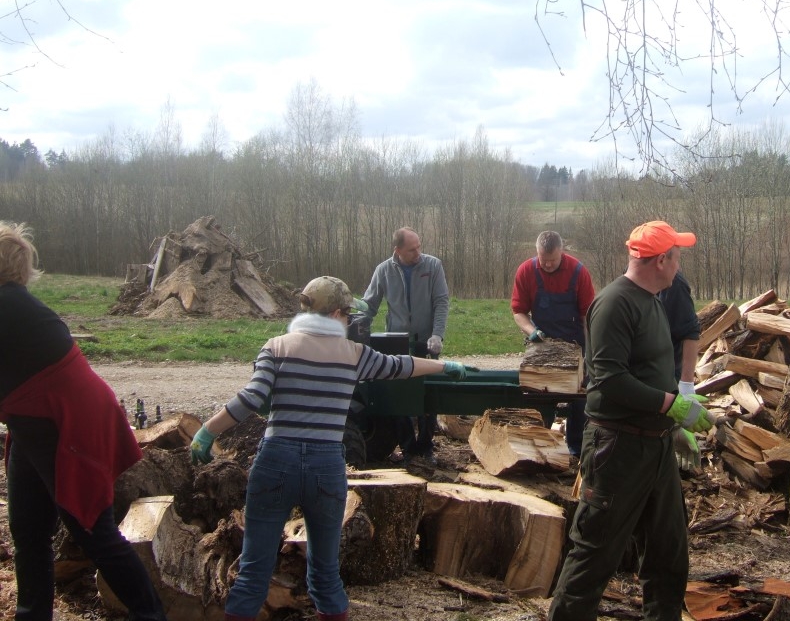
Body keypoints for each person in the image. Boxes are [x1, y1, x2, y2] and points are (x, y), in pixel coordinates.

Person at [189, 275, 474, 621]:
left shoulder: (276, 346)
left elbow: (253, 398)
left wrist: (206, 432)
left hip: (275, 461)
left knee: (252, 574)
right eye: (348, 315)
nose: (350, 321)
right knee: (325, 577)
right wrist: (448, 366)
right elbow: (402, 366)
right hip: (326, 466)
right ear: (337, 313)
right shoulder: (354, 354)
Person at [0, 221, 168, 621]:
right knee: (28, 529)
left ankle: (151, 615)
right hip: (34, 421)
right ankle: (32, 614)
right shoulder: (11, 303)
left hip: (67, 422)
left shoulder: (8, 304)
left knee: (91, 528)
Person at [547, 221, 713, 621]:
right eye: (676, 257)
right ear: (660, 260)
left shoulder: (654, 299)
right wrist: (671, 404)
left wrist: (672, 425)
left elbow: (652, 370)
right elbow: (609, 379)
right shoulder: (614, 303)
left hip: (655, 448)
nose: (679, 266)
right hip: (617, 449)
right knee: (595, 554)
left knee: (668, 554)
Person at [362, 227, 449, 462]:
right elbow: (369, 305)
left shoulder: (432, 266)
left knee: (428, 394)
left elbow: (441, 302)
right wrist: (358, 331)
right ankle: (409, 448)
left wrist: (437, 335)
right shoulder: (384, 270)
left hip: (426, 341)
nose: (418, 252)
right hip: (397, 343)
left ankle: (426, 445)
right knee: (397, 397)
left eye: (419, 246)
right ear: (397, 250)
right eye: (412, 249)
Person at [511, 230, 595, 462]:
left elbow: (589, 316)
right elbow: (519, 312)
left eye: (553, 260)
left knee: (580, 396)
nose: (547, 265)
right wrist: (531, 331)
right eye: (543, 259)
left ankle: (575, 450)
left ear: (562, 252)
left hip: (575, 341)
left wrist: (588, 353)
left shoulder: (578, 272)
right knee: (538, 394)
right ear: (536, 252)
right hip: (542, 343)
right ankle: (540, 449)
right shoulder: (526, 271)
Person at [658, 270, 703, 469]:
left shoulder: (674, 284)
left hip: (669, 369)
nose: (675, 265)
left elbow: (691, 333)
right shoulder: (630, 283)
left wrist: (686, 385)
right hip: (645, 372)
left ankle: (681, 473)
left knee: (673, 423)